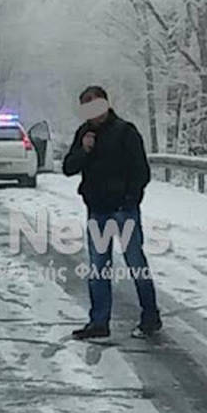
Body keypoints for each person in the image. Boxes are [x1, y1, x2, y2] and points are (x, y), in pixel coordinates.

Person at [62, 86, 162, 340]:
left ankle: (150, 316)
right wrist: (84, 151)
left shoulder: (125, 132)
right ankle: (99, 322)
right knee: (98, 267)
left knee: (135, 263)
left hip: (123, 210)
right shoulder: (84, 134)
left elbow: (141, 171)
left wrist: (130, 199)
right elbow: (68, 167)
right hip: (97, 211)